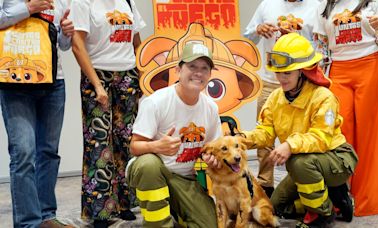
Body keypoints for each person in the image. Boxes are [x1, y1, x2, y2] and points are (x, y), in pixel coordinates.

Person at [241, 33, 358, 228]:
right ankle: (337, 200)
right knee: (276, 206)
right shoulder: (276, 97)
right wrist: (242, 139)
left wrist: (290, 145)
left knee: (297, 163)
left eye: (287, 73)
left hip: (336, 158)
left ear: (303, 71)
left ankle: (323, 214)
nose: (281, 78)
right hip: (306, 161)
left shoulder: (323, 97)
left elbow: (321, 138)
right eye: (278, 72)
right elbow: (266, 132)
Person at [313, 0, 378, 216]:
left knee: (373, 134)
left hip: (371, 65)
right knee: (339, 133)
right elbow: (320, 45)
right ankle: (339, 197)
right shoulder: (324, 3)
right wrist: (318, 82)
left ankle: (373, 199)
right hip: (338, 71)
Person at [126, 43, 222, 228]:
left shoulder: (210, 108)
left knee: (209, 224)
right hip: (155, 173)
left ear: (210, 75)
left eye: (204, 68)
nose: (198, 73)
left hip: (186, 178)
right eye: (192, 66)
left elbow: (213, 148)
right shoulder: (156, 102)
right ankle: (158, 224)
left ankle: (176, 210)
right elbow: (134, 146)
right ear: (178, 69)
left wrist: (211, 158)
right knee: (149, 164)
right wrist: (156, 146)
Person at [69, 0, 145, 226]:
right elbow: (77, 45)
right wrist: (97, 84)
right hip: (98, 74)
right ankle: (100, 211)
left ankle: (124, 203)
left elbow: (138, 42)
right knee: (98, 142)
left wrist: (142, 75)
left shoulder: (127, 2)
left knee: (126, 140)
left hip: (128, 74)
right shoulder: (83, 3)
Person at [0, 0, 74, 227]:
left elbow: (61, 44)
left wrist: (66, 33)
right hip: (16, 83)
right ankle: (28, 223)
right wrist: (29, 9)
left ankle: (46, 217)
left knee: (49, 153)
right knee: (23, 153)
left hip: (54, 81)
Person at [243, 0, 321, 197]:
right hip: (270, 80)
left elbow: (322, 43)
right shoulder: (267, 5)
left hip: (302, 80)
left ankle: (300, 182)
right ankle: (265, 184)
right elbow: (248, 37)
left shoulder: (316, 6)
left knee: (304, 134)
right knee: (264, 133)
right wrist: (258, 29)